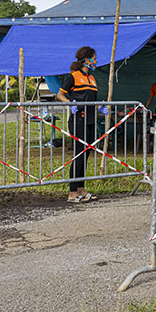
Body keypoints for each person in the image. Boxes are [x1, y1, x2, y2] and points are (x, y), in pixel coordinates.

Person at [56, 46, 106, 203]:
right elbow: (60, 94)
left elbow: (90, 98)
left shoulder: (92, 78)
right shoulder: (73, 76)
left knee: (86, 155)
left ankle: (81, 189)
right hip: (78, 121)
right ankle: (72, 192)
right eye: (94, 57)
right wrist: (70, 104)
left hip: (90, 120)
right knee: (78, 155)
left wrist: (100, 107)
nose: (96, 61)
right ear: (87, 59)